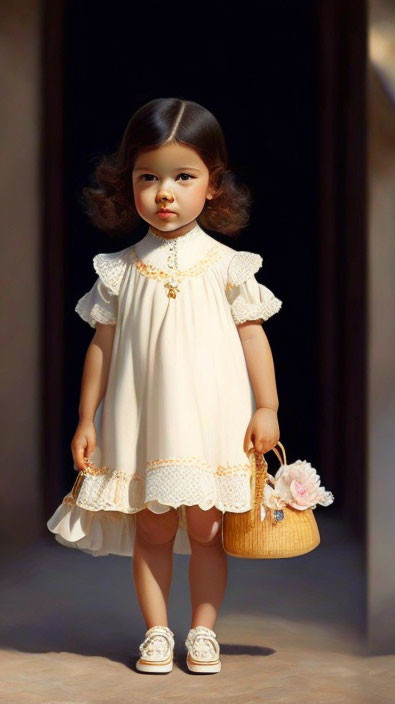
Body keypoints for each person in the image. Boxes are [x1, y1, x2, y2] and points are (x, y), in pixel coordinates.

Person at [47, 98, 282, 675]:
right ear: (126, 182)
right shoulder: (120, 270)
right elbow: (100, 346)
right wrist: (85, 417)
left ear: (214, 185)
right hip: (144, 415)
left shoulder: (229, 266)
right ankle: (156, 630)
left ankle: (203, 631)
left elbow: (253, 338)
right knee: (151, 524)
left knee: (206, 525)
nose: (165, 193)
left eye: (183, 177)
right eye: (148, 177)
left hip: (211, 416)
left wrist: (267, 406)